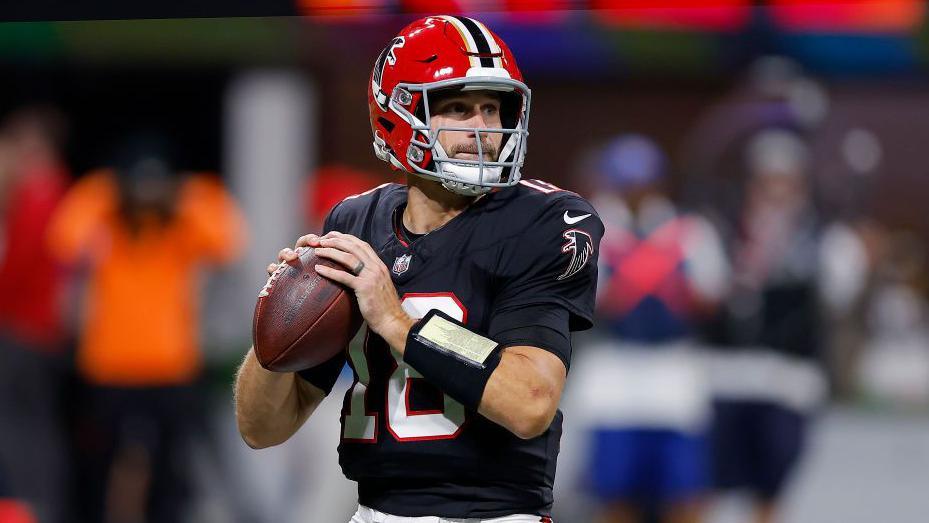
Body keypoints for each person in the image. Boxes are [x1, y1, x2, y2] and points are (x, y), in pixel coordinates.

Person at [235, 15, 603, 522]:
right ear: (399, 116)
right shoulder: (356, 220)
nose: (483, 130)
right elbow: (262, 429)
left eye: (492, 109)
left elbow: (531, 402)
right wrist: (275, 323)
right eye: (456, 108)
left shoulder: (542, 221)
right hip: (371, 510)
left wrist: (398, 323)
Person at [47, 134, 247, 523]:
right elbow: (64, 235)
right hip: (109, 367)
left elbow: (228, 238)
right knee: (98, 467)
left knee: (172, 472)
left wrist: (178, 192)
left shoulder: (181, 226)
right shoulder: (104, 218)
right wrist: (112, 188)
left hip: (170, 367)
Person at [567, 135, 727, 523]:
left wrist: (670, 283)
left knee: (685, 491)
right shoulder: (592, 230)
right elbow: (584, 299)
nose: (635, 193)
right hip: (614, 373)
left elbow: (713, 296)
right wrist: (637, 275)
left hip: (674, 373)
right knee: (614, 492)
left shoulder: (689, 231)